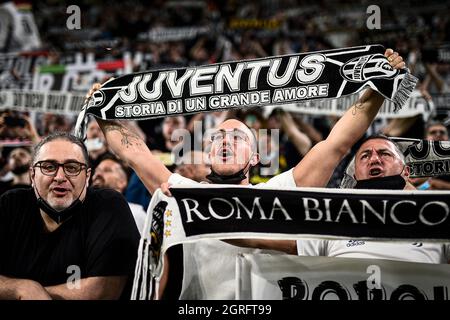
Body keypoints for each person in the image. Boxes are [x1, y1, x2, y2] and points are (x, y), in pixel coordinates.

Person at [88, 49, 405, 299]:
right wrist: (102, 112)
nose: (226, 141)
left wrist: (380, 84)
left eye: (237, 137)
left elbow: (337, 142)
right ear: (209, 153)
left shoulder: (279, 190)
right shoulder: (182, 190)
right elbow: (132, 151)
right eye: (218, 138)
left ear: (255, 157)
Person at [229, 135, 450, 264]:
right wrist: (207, 215)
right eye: (365, 156)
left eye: (385, 154)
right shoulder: (332, 213)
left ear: (406, 171)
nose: (374, 159)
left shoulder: (435, 213)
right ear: (355, 175)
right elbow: (255, 239)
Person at [0, 132, 140, 300]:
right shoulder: (11, 203)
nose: (60, 177)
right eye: (48, 167)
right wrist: (21, 288)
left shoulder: (109, 205)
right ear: (32, 175)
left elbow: (102, 291)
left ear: (87, 176)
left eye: (72, 168)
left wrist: (29, 292)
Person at [91, 156, 147, 234]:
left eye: (107, 170)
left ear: (121, 182)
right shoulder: (82, 212)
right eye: (96, 171)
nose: (98, 174)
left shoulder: (135, 214)